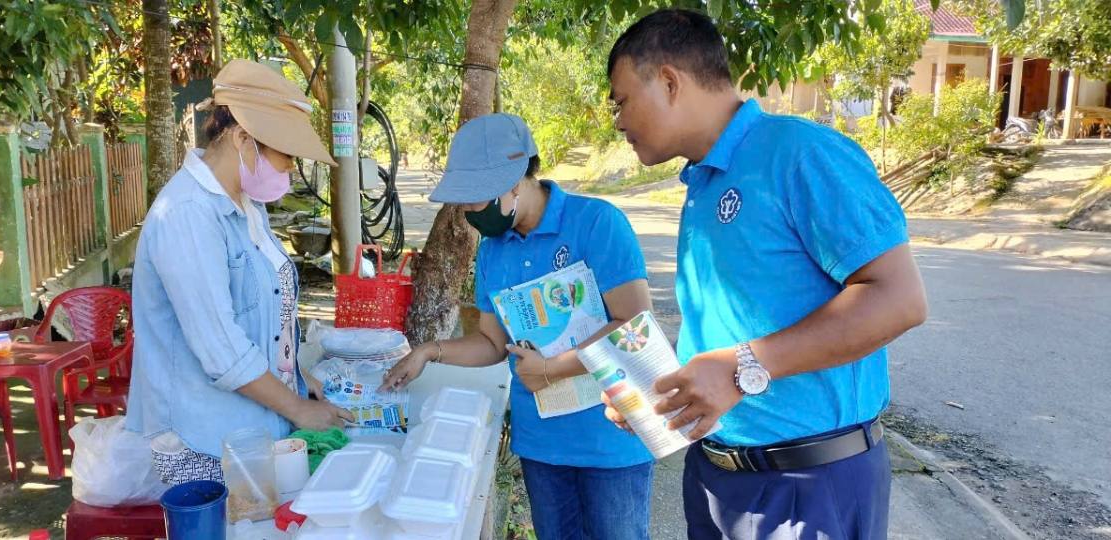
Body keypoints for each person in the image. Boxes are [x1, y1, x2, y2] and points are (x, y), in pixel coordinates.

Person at [603, 9, 929, 540]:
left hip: (809, 486)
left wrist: (741, 368)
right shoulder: (702, 184)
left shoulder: (801, 154)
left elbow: (899, 298)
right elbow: (726, 335)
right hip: (717, 480)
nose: (618, 120)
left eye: (621, 101)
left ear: (668, 81)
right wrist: (662, 399)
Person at [379, 113, 657, 540]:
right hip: (542, 446)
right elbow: (492, 343)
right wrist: (429, 351)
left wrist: (551, 369)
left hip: (610, 442)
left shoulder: (597, 223)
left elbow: (634, 327)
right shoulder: (493, 252)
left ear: (515, 180)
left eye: (476, 198)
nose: (471, 211)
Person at [126, 59, 353, 485]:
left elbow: (262, 318)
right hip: (205, 439)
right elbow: (223, 350)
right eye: (285, 155)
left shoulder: (246, 206)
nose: (289, 168)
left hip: (254, 421)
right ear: (243, 138)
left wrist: (298, 380)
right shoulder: (188, 214)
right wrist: (299, 408)